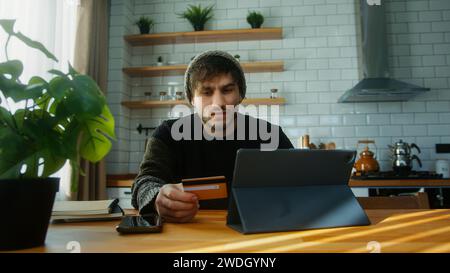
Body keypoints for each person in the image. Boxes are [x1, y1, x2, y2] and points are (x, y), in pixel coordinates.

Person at [131, 50, 293, 223]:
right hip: (188, 237)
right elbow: (144, 183)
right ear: (192, 99)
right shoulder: (168, 134)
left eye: (227, 90)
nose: (219, 103)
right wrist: (158, 198)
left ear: (240, 94)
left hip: (259, 231)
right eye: (206, 92)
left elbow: (302, 182)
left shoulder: (270, 135)